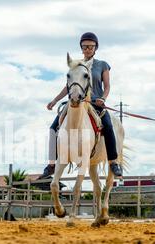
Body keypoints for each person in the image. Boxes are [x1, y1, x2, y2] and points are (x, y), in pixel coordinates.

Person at [38, 32, 123, 179]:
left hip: (96, 103)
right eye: (85, 47)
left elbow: (107, 86)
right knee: (53, 128)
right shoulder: (76, 64)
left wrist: (102, 98)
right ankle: (52, 164)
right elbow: (69, 86)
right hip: (77, 101)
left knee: (108, 126)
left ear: (96, 48)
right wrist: (55, 100)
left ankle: (113, 162)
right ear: (81, 48)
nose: (88, 49)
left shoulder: (102, 65)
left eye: (91, 46)